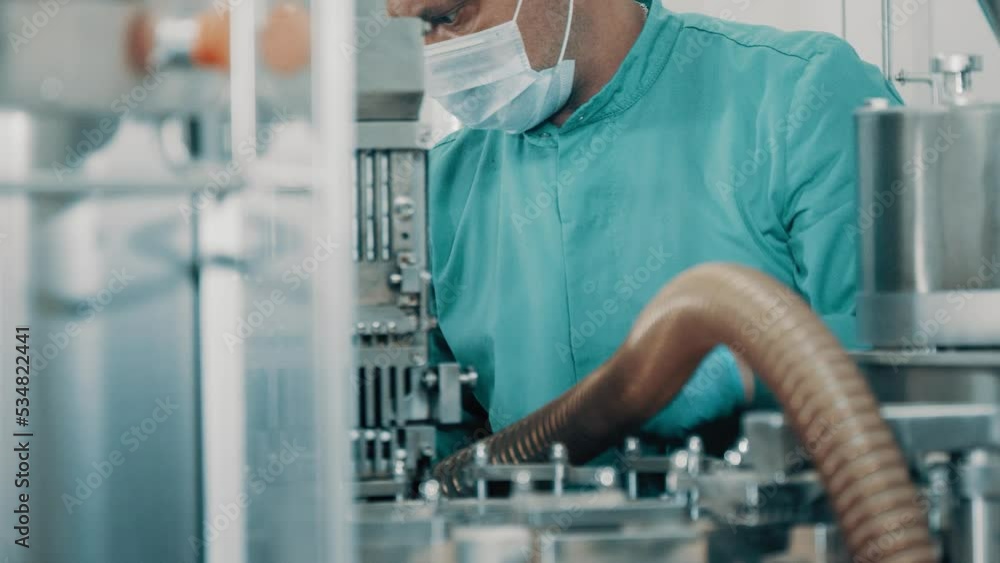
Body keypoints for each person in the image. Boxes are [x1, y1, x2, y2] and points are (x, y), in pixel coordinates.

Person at [388, 0, 901, 446]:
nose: (434, 55)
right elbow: (435, 435)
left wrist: (745, 375)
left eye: (449, 16)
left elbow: (908, 346)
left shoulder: (801, 94)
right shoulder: (440, 186)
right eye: (413, 33)